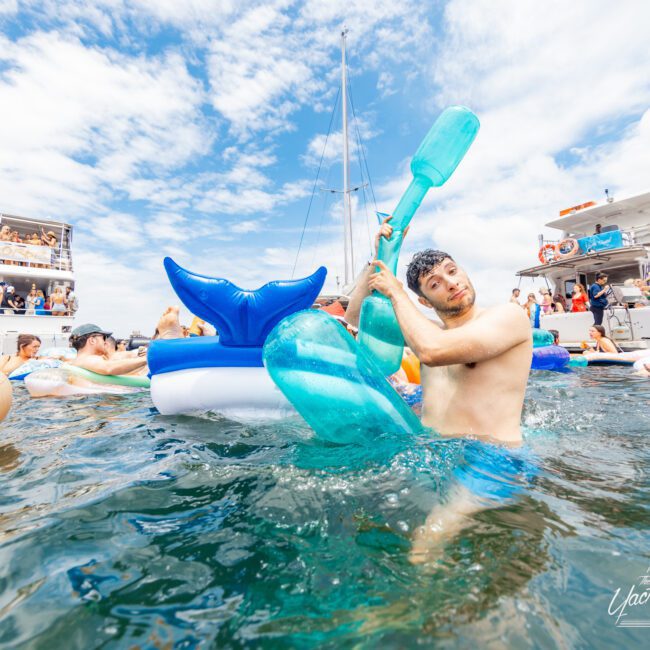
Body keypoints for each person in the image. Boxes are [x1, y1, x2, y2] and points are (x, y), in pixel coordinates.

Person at [345, 218, 532, 561]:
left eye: (452, 271)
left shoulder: (508, 316)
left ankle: (408, 613)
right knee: (357, 511)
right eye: (435, 283)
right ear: (427, 302)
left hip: (493, 458)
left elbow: (433, 353)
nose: (451, 283)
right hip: (430, 452)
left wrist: (396, 292)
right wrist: (375, 263)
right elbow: (356, 319)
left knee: (425, 546)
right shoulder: (424, 329)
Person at [69, 324, 147, 376]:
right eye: (104, 338)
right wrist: (147, 359)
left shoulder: (78, 360)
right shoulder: (87, 359)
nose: (105, 342)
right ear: (92, 340)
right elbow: (108, 368)